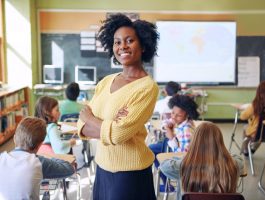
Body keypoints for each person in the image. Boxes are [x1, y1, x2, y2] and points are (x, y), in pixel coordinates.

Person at [77, 13, 159, 200]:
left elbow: (118, 134)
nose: (122, 46)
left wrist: (91, 120)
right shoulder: (106, 81)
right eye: (117, 42)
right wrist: (105, 127)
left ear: (144, 45)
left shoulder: (147, 87)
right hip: (103, 167)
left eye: (130, 40)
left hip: (129, 174)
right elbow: (80, 125)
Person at [160, 121, 244, 200]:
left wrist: (188, 156)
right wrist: (221, 153)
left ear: (194, 142)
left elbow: (164, 165)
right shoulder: (233, 165)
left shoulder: (184, 166)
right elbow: (238, 158)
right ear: (220, 142)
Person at [0, 117, 75, 199]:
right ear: (40, 145)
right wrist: (51, 158)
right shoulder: (38, 162)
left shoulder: (1, 158)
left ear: (14, 139)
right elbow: (69, 169)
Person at [149, 94, 199, 192]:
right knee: (152, 148)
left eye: (178, 115)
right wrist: (167, 127)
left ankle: (167, 183)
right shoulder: (180, 121)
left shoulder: (187, 131)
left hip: (181, 158)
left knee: (152, 150)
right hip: (173, 146)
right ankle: (166, 183)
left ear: (187, 115)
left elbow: (182, 155)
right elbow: (166, 122)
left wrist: (171, 137)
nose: (174, 117)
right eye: (172, 113)